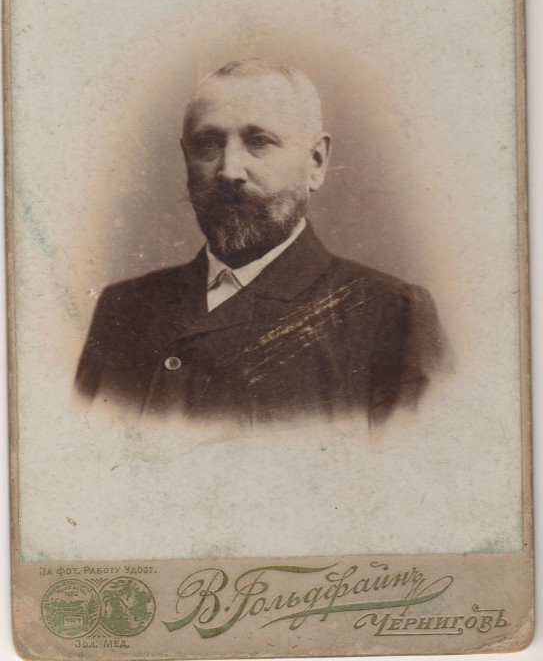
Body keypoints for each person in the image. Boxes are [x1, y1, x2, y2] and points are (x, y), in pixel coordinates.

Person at [75, 59, 446, 424]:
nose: (229, 171)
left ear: (316, 162)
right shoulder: (123, 308)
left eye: (260, 142)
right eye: (208, 144)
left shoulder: (388, 314)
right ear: (187, 158)